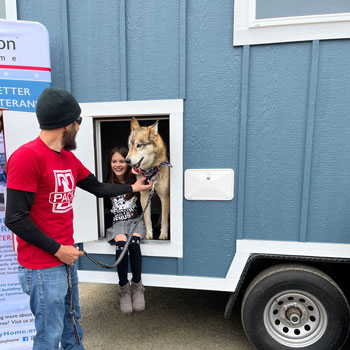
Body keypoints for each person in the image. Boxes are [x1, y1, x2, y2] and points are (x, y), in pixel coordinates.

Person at [4, 87, 152, 350]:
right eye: (79, 122)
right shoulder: (27, 157)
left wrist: (134, 187)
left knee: (72, 324)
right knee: (49, 335)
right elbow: (15, 218)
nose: (80, 128)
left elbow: (97, 187)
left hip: (65, 259)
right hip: (42, 266)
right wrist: (58, 250)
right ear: (66, 124)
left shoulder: (67, 158)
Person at [105, 146, 146, 315]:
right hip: (118, 223)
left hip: (135, 220)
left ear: (128, 163)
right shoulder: (107, 185)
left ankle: (137, 286)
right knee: (121, 244)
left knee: (134, 244)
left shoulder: (135, 181)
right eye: (114, 161)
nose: (118, 164)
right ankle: (123, 289)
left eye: (122, 161)